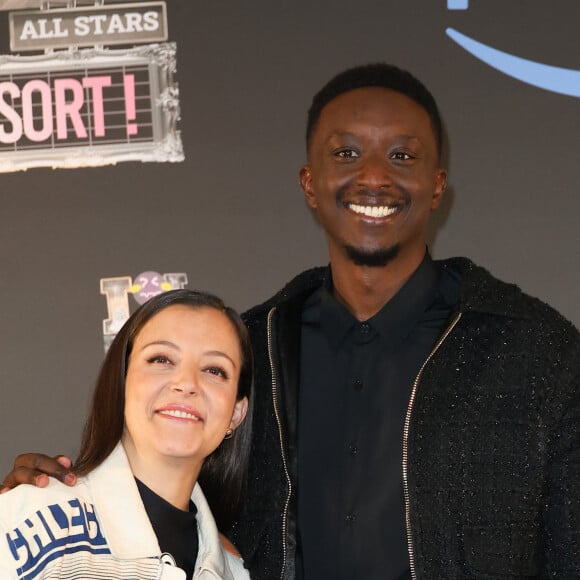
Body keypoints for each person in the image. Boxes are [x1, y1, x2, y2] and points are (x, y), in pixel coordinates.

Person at [3, 64, 580, 579]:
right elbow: (160, 495)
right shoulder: (248, 352)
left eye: (401, 156)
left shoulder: (537, 353)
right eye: (346, 153)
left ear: (436, 185)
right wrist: (55, 490)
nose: (374, 177)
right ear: (309, 183)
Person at [0, 289, 253, 579]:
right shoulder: (24, 522)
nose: (186, 383)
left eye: (214, 370)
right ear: (121, 381)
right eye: (161, 359)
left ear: (236, 412)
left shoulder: (235, 572)